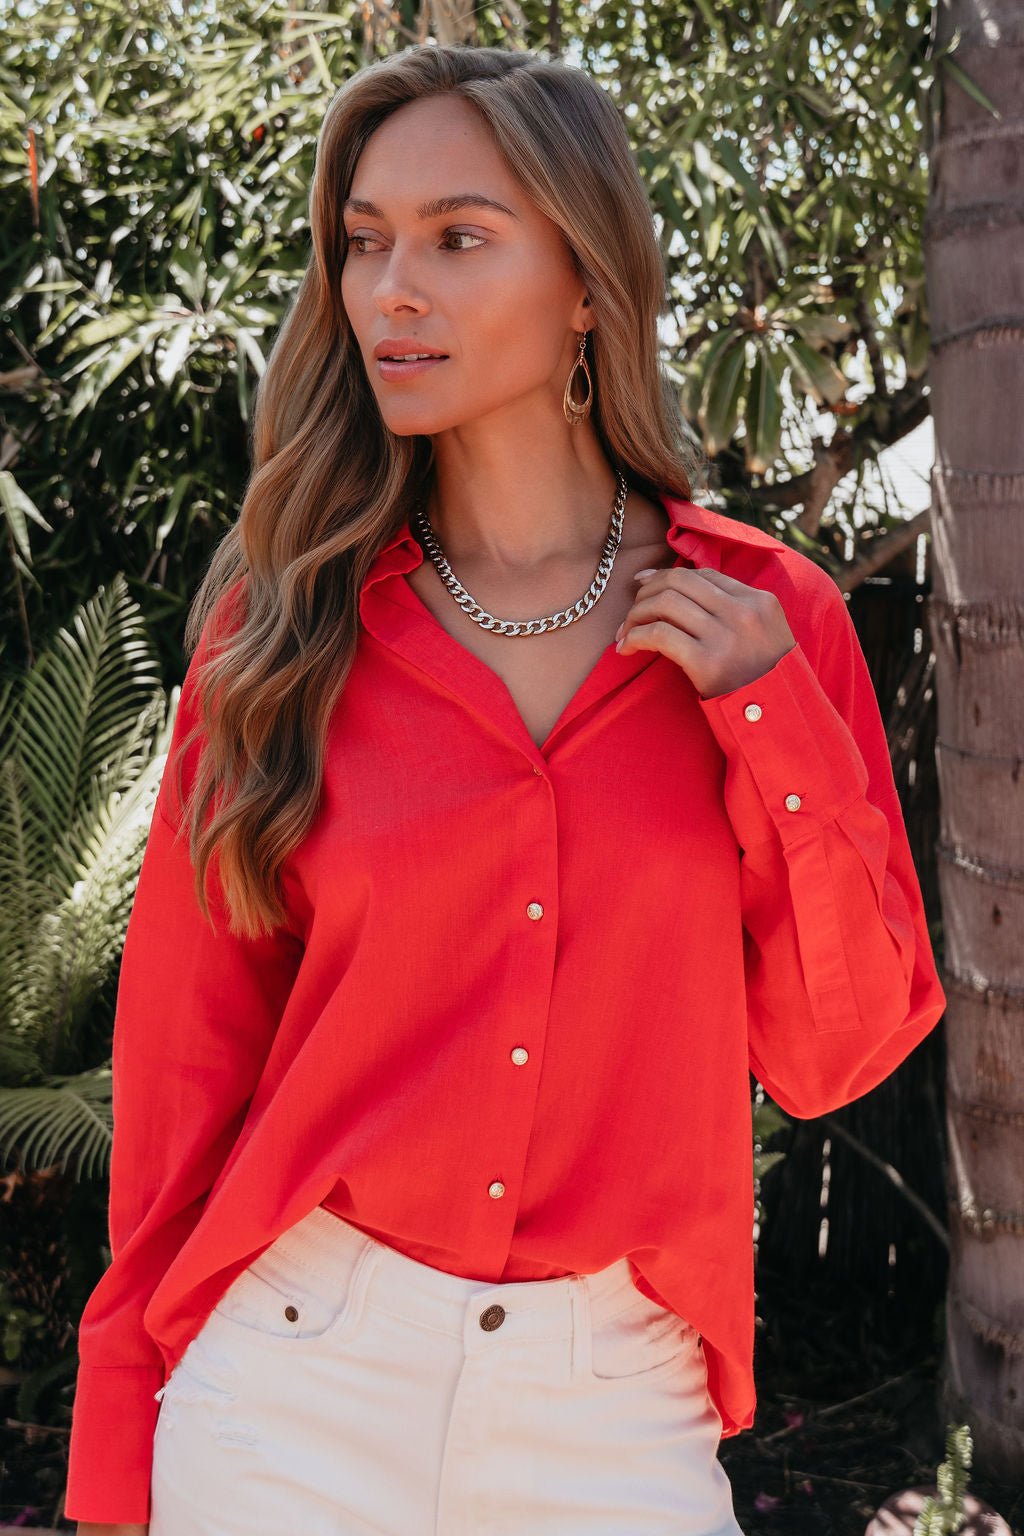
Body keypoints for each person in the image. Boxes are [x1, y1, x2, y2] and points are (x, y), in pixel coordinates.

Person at [66, 41, 946, 1536]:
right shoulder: (287, 625)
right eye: (365, 242)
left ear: (588, 280)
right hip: (290, 1388)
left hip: (615, 1412)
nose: (390, 290)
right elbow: (182, 1066)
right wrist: (115, 1450)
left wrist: (767, 721)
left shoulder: (768, 621)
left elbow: (838, 1054)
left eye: (458, 239)